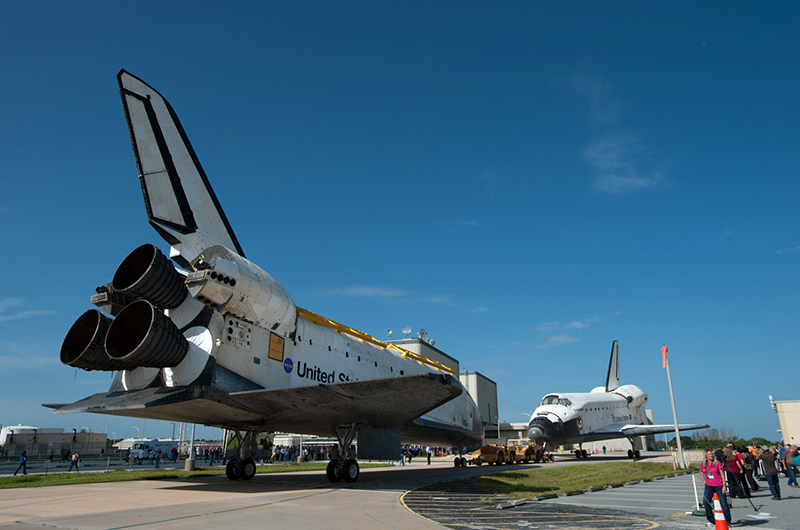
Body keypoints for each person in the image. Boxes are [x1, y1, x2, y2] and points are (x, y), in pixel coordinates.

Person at [700, 448, 731, 527]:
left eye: (711, 454)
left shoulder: (717, 463)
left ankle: (727, 520)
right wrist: (703, 479)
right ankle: (711, 519)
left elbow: (722, 474)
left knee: (723, 503)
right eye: (709, 454)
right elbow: (701, 471)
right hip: (709, 485)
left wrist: (724, 485)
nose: (711, 456)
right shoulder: (703, 464)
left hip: (719, 485)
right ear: (706, 456)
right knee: (705, 502)